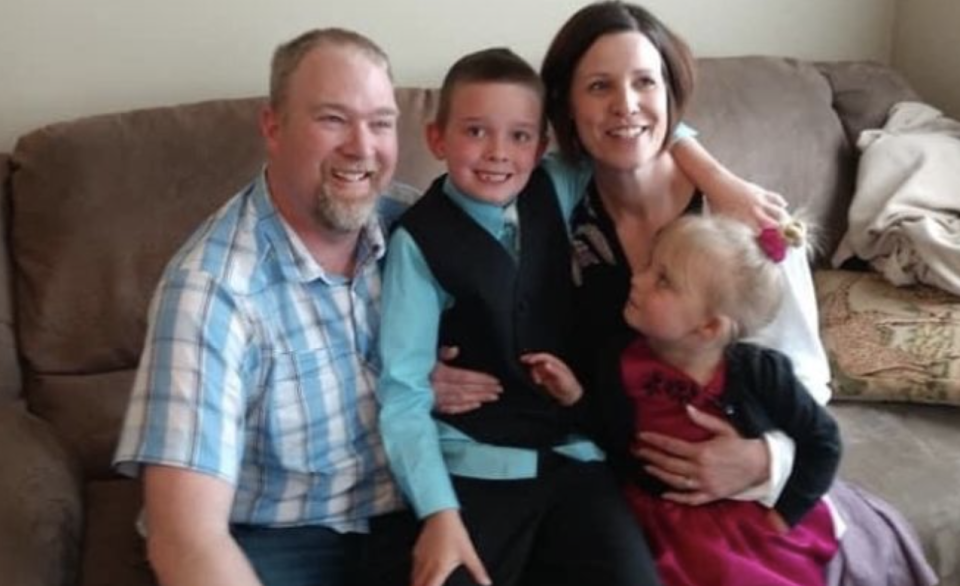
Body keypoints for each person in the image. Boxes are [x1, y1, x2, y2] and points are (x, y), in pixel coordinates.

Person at [112, 28, 420, 586]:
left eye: (380, 122)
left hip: (408, 517)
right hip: (273, 537)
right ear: (273, 128)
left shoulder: (416, 229)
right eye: (333, 119)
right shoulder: (211, 290)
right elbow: (185, 537)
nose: (362, 146)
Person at [377, 47, 661, 586]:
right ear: (437, 138)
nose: (498, 154)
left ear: (542, 145)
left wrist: (716, 175)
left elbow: (640, 130)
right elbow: (403, 391)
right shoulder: (418, 242)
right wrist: (439, 513)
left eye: (520, 136)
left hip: (573, 458)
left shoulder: (554, 185)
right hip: (473, 468)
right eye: (476, 131)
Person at [525, 214, 842, 586]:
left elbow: (823, 442)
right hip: (649, 512)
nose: (637, 279)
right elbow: (611, 436)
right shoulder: (619, 360)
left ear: (709, 327)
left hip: (732, 516)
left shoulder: (760, 371)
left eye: (662, 281)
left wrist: (786, 513)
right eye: (648, 266)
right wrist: (575, 398)